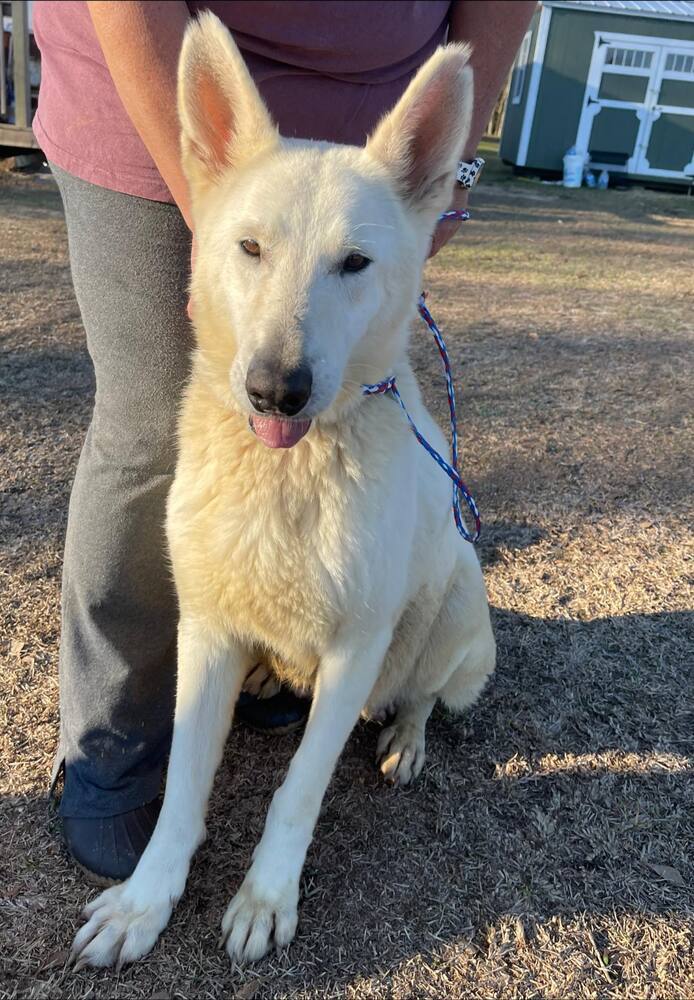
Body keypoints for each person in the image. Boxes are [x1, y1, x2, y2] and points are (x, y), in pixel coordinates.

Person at [32, 0, 535, 882]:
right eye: (249, 251)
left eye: (353, 266)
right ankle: (113, 751)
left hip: (377, 110)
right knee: (146, 441)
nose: (281, 369)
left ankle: (336, 720)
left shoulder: (397, 212)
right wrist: (224, 218)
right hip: (139, 70)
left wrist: (426, 187)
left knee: (376, 609)